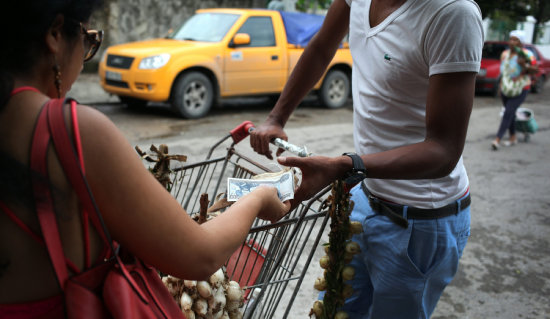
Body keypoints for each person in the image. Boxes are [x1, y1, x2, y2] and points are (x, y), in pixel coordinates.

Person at [0, 0, 289, 316]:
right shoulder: (69, 132)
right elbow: (200, 256)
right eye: (87, 39)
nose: (83, 59)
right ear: (55, 33)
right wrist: (259, 197)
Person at [250, 0, 483, 318]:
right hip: (365, 198)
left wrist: (346, 166)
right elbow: (321, 47)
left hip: (420, 221)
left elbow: (443, 150)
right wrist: (277, 117)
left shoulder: (452, 14)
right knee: (333, 307)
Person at [491, 30, 538, 150]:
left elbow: (535, 70)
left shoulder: (527, 54)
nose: (512, 42)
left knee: (508, 112)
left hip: (521, 88)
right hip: (506, 87)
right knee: (510, 112)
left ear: (521, 42)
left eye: (515, 40)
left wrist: (524, 65)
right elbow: (504, 72)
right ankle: (513, 137)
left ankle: (497, 139)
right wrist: (500, 87)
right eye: (511, 39)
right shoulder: (505, 54)